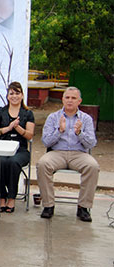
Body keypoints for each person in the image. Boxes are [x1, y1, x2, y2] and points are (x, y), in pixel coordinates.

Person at [37, 87, 99, 222]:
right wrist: (59, 130)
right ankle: (48, 205)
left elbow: (91, 144)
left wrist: (79, 133)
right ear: (62, 99)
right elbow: (46, 141)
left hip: (79, 153)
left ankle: (83, 207)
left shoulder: (86, 119)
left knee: (93, 166)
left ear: (79, 101)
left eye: (73, 98)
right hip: (57, 152)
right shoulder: (53, 117)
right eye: (67, 98)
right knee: (42, 164)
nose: (70, 101)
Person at [0, 81, 34, 213]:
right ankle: (2, 196)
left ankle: (11, 197)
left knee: (13, 162)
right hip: (1, 147)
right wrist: (8, 128)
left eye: (17, 93)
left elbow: (29, 135)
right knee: (0, 161)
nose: (14, 96)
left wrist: (18, 128)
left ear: (22, 95)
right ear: (7, 96)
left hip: (20, 149)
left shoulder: (28, 114)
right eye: (11, 93)